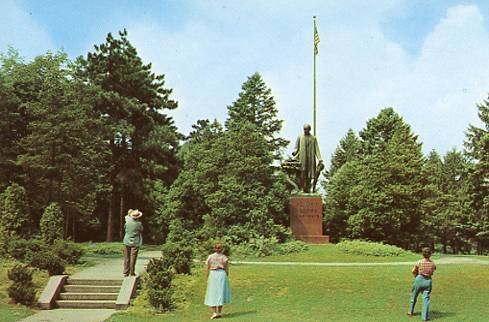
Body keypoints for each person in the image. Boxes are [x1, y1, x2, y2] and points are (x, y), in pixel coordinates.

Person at [292, 124, 323, 193]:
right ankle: (302, 188)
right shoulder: (300, 137)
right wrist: (294, 152)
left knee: (310, 174)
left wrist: (319, 158)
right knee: (302, 173)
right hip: (302, 158)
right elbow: (296, 147)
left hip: (311, 158)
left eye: (307, 129)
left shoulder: (313, 138)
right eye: (304, 129)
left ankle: (308, 188)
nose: (305, 131)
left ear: (309, 129)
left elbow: (316, 149)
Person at [408, 247, 436, 321]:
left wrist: (416, 277)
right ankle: (424, 317)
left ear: (422, 254)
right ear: (430, 254)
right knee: (426, 299)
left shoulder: (419, 262)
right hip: (428, 281)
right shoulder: (432, 263)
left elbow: (413, 271)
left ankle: (410, 312)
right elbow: (432, 271)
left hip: (419, 279)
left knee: (414, 296)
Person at [204, 243, 232, 319]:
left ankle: (218, 312)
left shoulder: (223, 257)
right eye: (217, 248)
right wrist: (207, 276)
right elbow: (208, 267)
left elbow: (226, 268)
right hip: (214, 273)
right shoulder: (212, 256)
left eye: (220, 248)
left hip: (220, 274)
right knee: (213, 293)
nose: (218, 249)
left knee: (220, 293)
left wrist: (226, 275)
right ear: (215, 249)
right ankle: (214, 312)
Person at [123, 209, 143, 277]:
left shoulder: (127, 223)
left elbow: (125, 228)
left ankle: (126, 272)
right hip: (135, 242)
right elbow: (141, 230)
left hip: (126, 241)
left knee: (126, 257)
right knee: (133, 258)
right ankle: (132, 272)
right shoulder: (139, 224)